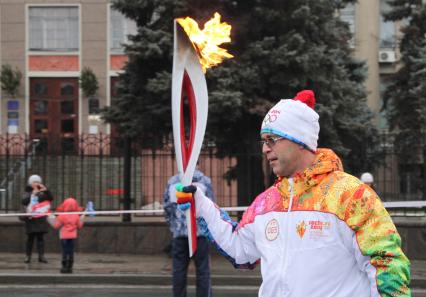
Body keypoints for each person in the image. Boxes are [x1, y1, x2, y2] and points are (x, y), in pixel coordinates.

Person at [176, 90, 411, 297]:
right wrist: (200, 203)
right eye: (263, 141)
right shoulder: (267, 202)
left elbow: (386, 264)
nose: (265, 148)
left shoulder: (351, 196)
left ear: (300, 141)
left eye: (272, 139)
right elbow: (241, 251)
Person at [164, 169, 215, 297]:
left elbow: (167, 208)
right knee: (203, 271)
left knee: (179, 271)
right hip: (200, 234)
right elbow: (211, 207)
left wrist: (174, 227)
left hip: (179, 234)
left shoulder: (173, 182)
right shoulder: (204, 181)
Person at [21, 174, 53, 264]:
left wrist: (46, 190)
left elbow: (50, 198)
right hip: (31, 219)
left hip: (40, 219)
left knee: (40, 238)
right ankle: (28, 256)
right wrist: (33, 194)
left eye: (38, 182)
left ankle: (41, 256)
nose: (36, 183)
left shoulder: (42, 191)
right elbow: (24, 201)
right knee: (30, 238)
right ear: (30, 183)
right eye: (34, 182)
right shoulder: (27, 191)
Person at [47, 197, 85, 273]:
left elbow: (56, 226)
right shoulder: (76, 216)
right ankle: (70, 266)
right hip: (73, 237)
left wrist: (50, 217)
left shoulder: (62, 216)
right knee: (71, 251)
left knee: (64, 251)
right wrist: (82, 217)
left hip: (63, 237)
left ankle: (64, 266)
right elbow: (80, 226)